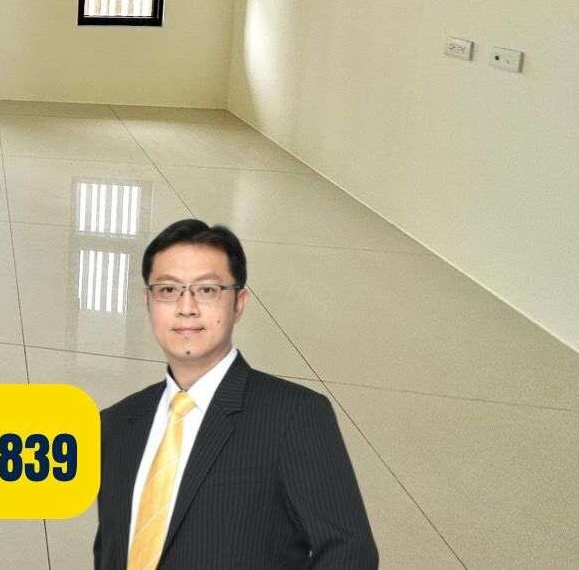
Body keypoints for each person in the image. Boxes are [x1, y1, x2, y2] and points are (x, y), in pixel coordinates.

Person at [92, 219, 377, 568]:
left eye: (207, 290)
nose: (186, 307)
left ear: (239, 303)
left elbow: (349, 552)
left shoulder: (293, 415)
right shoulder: (116, 424)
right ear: (148, 302)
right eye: (168, 290)